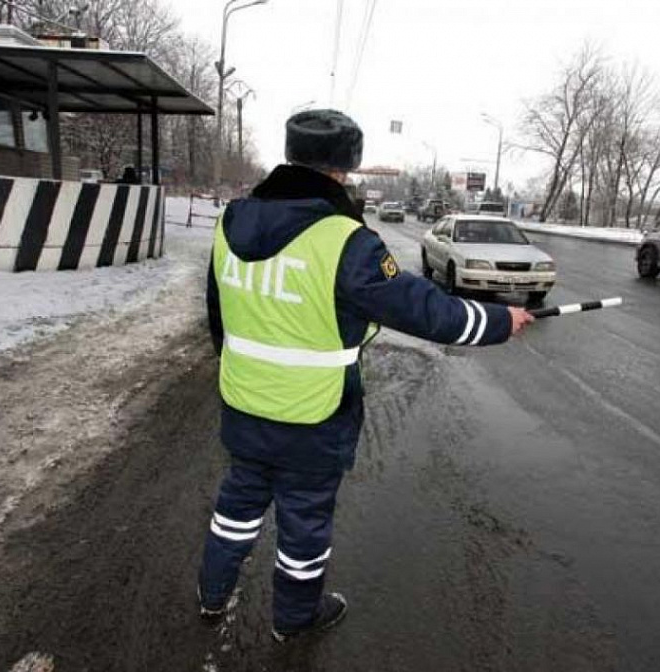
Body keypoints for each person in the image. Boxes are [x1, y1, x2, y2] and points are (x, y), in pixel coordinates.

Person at [198, 109, 534, 643]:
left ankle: (211, 595)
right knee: (303, 527)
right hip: (314, 414)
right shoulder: (344, 240)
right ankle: (293, 618)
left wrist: (240, 370)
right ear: (345, 169)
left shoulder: (230, 221)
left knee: (236, 508)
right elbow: (428, 311)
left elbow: (217, 313)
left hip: (243, 403)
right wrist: (499, 320)